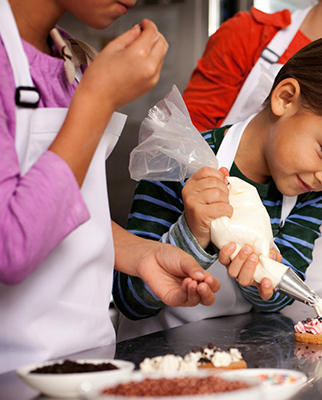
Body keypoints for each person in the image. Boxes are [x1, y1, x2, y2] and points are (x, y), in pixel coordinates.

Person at [112, 35, 322, 340]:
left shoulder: (312, 190)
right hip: (152, 355)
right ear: (285, 98)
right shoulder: (181, 162)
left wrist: (259, 276)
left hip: (231, 357)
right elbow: (129, 299)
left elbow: (279, 300)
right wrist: (193, 233)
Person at [0, 0, 220, 373]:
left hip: (92, 363)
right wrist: (98, 99)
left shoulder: (68, 58)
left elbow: (61, 208)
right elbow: (9, 246)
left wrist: (142, 255)